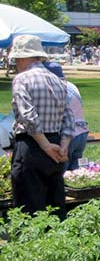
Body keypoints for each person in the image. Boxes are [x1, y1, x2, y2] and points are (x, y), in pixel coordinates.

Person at [9, 35, 74, 217]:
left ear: (22, 58)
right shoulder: (58, 80)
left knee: (28, 207)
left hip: (32, 145)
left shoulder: (22, 79)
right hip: (57, 147)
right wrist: (63, 147)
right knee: (54, 205)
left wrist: (45, 145)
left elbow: (27, 115)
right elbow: (69, 119)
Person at [44, 62, 89, 171]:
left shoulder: (54, 89)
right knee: (77, 172)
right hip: (82, 132)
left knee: (62, 172)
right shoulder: (71, 86)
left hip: (68, 135)